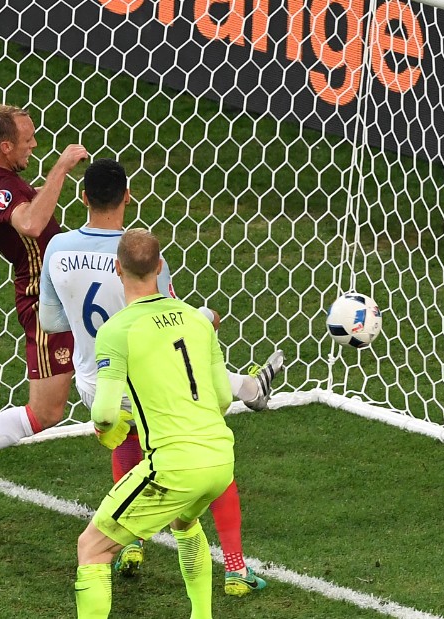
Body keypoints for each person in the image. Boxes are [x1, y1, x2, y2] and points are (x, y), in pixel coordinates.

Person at [39, 158, 276, 595]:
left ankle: (131, 545)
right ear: (128, 196)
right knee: (201, 433)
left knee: (132, 440)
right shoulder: (145, 257)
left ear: (83, 197)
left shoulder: (56, 249)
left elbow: (52, 323)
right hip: (146, 380)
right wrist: (205, 318)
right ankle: (236, 568)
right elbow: (171, 325)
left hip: (97, 385)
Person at [75, 228, 235, 619]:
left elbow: (105, 413)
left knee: (92, 547)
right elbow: (225, 398)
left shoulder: (117, 330)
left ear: (118, 269)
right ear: (160, 267)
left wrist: (107, 429)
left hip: (173, 466)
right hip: (220, 460)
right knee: (186, 522)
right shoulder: (197, 321)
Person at [0, 104, 90, 475]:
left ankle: (244, 388)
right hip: (45, 297)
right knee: (47, 411)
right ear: (5, 146)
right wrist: (60, 168)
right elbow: (32, 225)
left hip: (65, 284)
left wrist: (25, 199)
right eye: (28, 140)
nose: (34, 145)